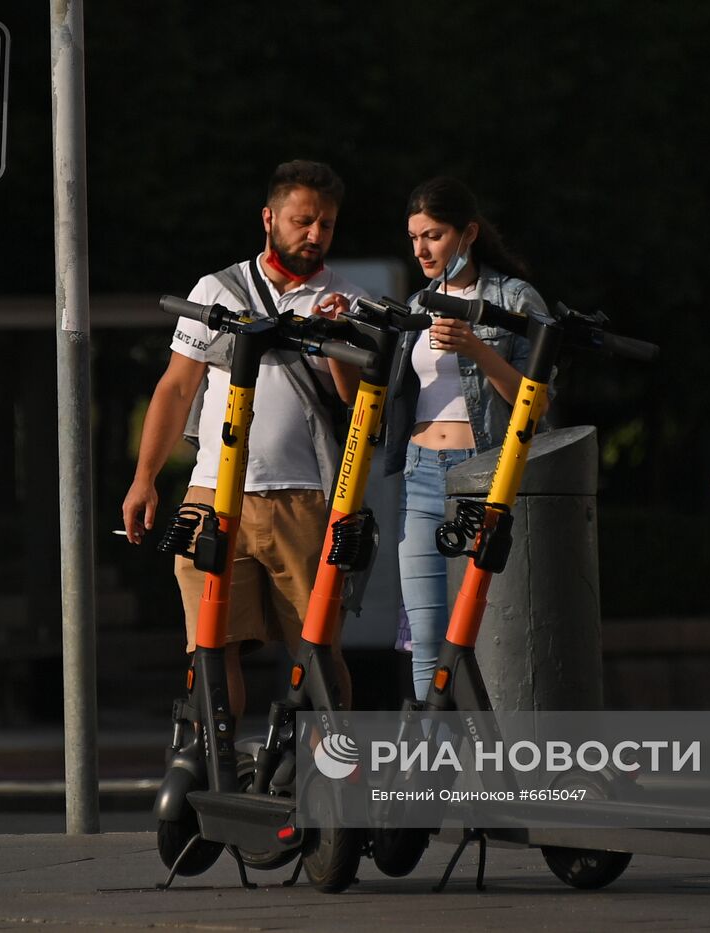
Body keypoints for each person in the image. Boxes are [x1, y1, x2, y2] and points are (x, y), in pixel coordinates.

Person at [122, 160, 367, 718]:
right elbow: (176, 388)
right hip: (212, 491)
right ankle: (219, 766)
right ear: (269, 218)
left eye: (326, 225)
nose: (315, 235)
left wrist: (339, 337)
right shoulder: (217, 290)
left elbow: (358, 407)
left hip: (303, 495)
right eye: (303, 221)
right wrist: (146, 480)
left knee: (318, 646)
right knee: (211, 646)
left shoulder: (346, 299)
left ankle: (331, 775)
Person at [384, 177, 550, 699]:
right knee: (426, 638)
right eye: (414, 238)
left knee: (491, 631)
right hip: (421, 474)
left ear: (468, 233)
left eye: (433, 235)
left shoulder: (512, 297)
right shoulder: (418, 302)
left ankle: (492, 760)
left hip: (485, 474)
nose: (422, 250)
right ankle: (431, 767)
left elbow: (537, 402)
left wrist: (478, 349)